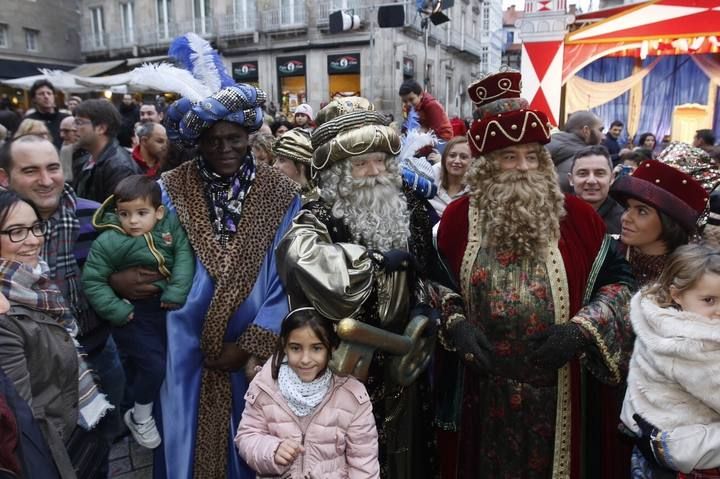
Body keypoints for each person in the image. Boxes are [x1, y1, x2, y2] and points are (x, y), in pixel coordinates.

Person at [437, 70, 635, 478]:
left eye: (532, 156)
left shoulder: (579, 218)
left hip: (561, 389)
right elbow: (434, 285)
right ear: (488, 166)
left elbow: (620, 285)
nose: (523, 167)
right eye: (510, 157)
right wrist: (454, 321)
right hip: (484, 390)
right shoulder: (458, 218)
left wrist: (582, 330)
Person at [126, 34, 302, 478]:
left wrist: (249, 345)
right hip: (182, 347)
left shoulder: (282, 194)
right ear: (197, 141)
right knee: (186, 444)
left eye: (235, 138)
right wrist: (126, 280)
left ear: (249, 136)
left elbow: (289, 277)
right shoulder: (168, 189)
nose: (225, 148)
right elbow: (147, 253)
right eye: (213, 139)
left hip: (254, 351)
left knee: (258, 443)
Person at [277, 96, 445, 479]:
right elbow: (297, 259)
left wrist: (424, 304)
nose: (374, 172)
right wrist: (369, 263)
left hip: (406, 361)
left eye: (380, 161)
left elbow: (430, 274)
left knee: (407, 452)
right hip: (346, 366)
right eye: (360, 163)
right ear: (337, 172)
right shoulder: (317, 216)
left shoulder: (412, 209)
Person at [0, 135, 126, 445]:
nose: (45, 180)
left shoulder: (96, 217)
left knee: (100, 447)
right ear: (5, 177)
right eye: (30, 171)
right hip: (33, 372)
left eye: (52, 167)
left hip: (98, 354)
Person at [0, 190, 113, 479]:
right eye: (16, 231)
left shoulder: (34, 282)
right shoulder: (5, 314)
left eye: (36, 227)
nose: (33, 239)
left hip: (81, 429)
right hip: (58, 455)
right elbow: (23, 422)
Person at [82, 175, 194, 450]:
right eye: (124, 214)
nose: (132, 221)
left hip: (163, 307)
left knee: (158, 363)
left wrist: (176, 291)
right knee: (153, 364)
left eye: (141, 213)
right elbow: (92, 280)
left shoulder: (169, 228)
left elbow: (183, 255)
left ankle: (147, 408)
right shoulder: (109, 241)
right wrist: (117, 309)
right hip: (130, 313)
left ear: (158, 212)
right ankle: (139, 415)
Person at [235, 307, 380, 478]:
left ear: (331, 348)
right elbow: (247, 437)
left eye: (316, 348)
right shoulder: (264, 386)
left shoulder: (352, 395)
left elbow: (364, 463)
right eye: (296, 348)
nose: (305, 359)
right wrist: (272, 450)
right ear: (284, 345)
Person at [621, 243, 720, 477]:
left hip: (655, 440)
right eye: (709, 300)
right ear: (676, 294)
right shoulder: (691, 346)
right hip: (685, 451)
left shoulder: (657, 320)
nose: (719, 310)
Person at [610, 159, 709, 287]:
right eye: (628, 208)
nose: (626, 217)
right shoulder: (605, 252)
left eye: (642, 211)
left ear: (670, 222)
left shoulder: (694, 273)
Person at [72, 99, 142, 202]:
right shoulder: (85, 159)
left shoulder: (120, 167)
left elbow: (114, 214)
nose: (73, 128)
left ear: (101, 128)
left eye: (79, 122)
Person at [568, 145, 624, 234]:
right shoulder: (555, 216)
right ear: (571, 179)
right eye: (583, 173)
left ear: (612, 178)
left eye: (599, 173)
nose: (591, 181)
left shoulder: (625, 222)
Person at [547, 110, 603, 193]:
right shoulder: (582, 159)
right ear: (586, 130)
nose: (603, 136)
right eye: (600, 130)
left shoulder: (547, 143)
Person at [429, 136, 471, 218]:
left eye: (463, 157)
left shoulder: (476, 190)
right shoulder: (429, 179)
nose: (457, 161)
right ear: (444, 158)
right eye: (452, 155)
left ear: (471, 161)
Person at [272, 128, 317, 203]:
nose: (274, 166)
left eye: (282, 160)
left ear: (300, 166)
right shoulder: (278, 197)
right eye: (276, 160)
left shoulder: (315, 204)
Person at [24, 80, 68, 149]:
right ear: (34, 99)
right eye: (41, 94)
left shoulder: (66, 119)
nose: (46, 97)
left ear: (54, 96)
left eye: (49, 93)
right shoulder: (28, 121)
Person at [58, 116, 78, 182]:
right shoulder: (64, 150)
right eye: (61, 131)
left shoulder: (91, 154)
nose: (62, 135)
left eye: (66, 131)